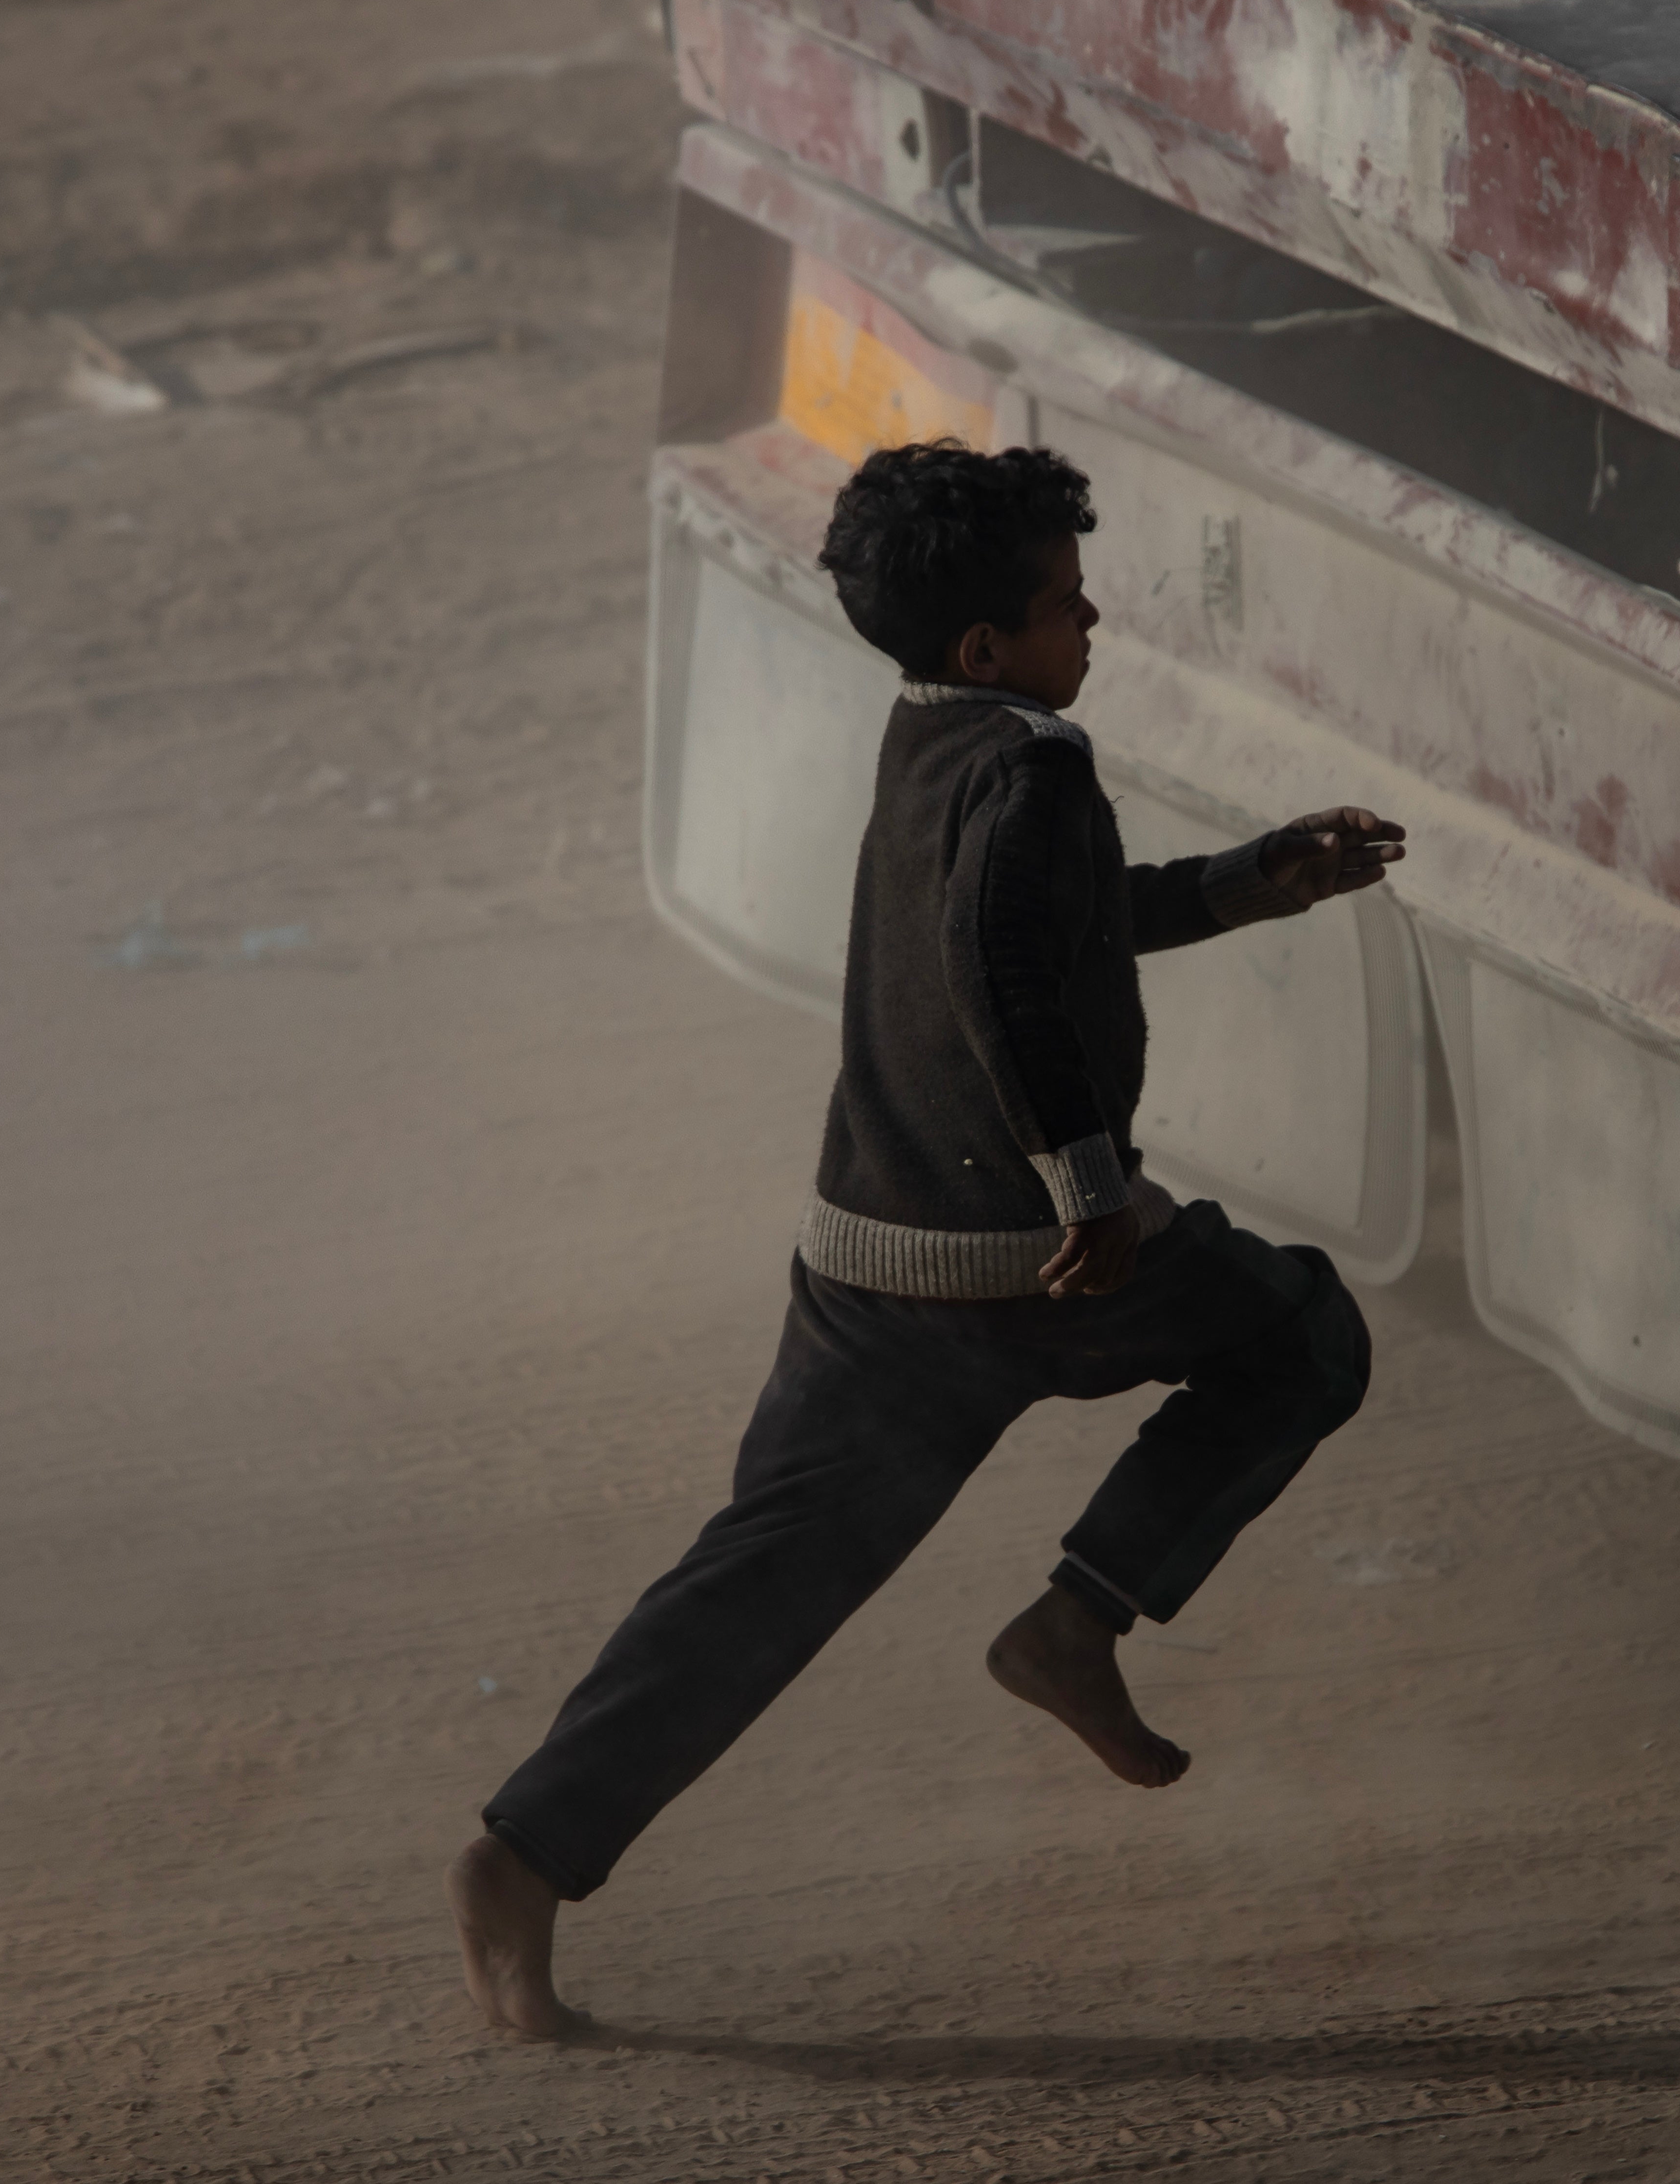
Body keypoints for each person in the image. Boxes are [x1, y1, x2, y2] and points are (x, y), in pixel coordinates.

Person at [451, 439, 1404, 2037]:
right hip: (1019, 1272)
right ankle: (1076, 1619)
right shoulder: (1037, 766)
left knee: (763, 1581)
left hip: (865, 1268)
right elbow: (1001, 968)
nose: (1089, 618)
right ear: (989, 646)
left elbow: (1042, 921)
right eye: (1061, 601)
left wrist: (1249, 884)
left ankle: (520, 1860)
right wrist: (1088, 1188)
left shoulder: (934, 739)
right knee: (1300, 1337)